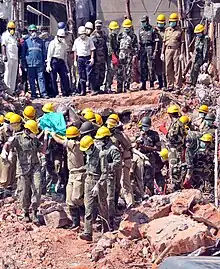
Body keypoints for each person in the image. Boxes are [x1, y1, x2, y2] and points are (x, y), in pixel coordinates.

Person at [1, 120, 47, 222]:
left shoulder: (34, 140)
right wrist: (4, 151)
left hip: (35, 168)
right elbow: (8, 144)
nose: (35, 134)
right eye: (33, 132)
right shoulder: (18, 138)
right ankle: (26, 212)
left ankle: (34, 212)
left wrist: (45, 138)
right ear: (27, 130)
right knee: (24, 192)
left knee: (38, 188)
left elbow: (43, 150)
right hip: (23, 170)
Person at [51, 126, 86, 228]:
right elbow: (64, 139)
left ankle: (86, 214)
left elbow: (60, 141)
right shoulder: (72, 143)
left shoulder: (75, 144)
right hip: (72, 174)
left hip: (79, 174)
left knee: (76, 198)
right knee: (69, 201)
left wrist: (53, 135)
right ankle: (76, 223)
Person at [79, 135, 109, 241]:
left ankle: (106, 230)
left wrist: (98, 185)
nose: (85, 151)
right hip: (89, 181)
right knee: (88, 207)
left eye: (86, 149)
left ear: (91, 146)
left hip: (99, 183)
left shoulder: (101, 154)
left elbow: (105, 172)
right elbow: (89, 166)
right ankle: (88, 232)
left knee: (102, 206)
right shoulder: (89, 154)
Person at [95, 126, 121, 230]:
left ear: (106, 138)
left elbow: (118, 163)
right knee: (101, 199)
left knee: (109, 199)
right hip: (101, 176)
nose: (98, 141)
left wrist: (107, 166)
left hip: (109, 176)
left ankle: (110, 223)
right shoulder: (100, 148)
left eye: (100, 139)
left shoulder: (113, 149)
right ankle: (102, 221)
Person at [106, 116, 134, 208]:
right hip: (105, 162)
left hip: (116, 162)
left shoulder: (119, 135)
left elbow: (128, 146)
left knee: (117, 185)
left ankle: (114, 206)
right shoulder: (102, 132)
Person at [184, 133, 214, 202]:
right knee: (197, 186)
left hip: (205, 173)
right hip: (197, 172)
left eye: (206, 143)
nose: (204, 144)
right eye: (203, 142)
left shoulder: (209, 152)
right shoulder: (195, 150)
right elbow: (190, 163)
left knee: (204, 187)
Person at [136, 116, 161, 195]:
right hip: (140, 158)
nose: (145, 128)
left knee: (149, 178)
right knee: (140, 178)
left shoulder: (154, 134)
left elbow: (158, 148)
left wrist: (146, 147)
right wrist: (137, 144)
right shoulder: (139, 134)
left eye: (146, 126)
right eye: (143, 126)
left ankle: (151, 195)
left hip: (150, 158)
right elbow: (134, 148)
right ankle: (142, 195)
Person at [22, 24, 48, 99]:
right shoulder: (26, 42)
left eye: (35, 31)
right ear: (29, 32)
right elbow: (23, 54)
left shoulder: (41, 42)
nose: (33, 32)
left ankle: (43, 93)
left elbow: (44, 52)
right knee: (31, 79)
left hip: (39, 63)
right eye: (32, 31)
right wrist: (24, 64)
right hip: (30, 64)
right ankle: (33, 94)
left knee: (41, 78)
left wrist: (45, 62)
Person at [161, 13, 184, 92]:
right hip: (167, 50)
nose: (171, 23)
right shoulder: (167, 30)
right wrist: (162, 53)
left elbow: (182, 43)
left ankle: (177, 86)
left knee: (177, 69)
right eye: (170, 21)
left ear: (176, 22)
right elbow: (164, 42)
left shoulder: (180, 31)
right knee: (168, 68)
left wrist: (182, 53)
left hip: (176, 50)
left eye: (173, 21)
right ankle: (170, 85)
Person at [166, 105, 186, 191]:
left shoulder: (176, 124)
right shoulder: (178, 123)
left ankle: (176, 186)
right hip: (177, 148)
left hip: (175, 148)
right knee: (176, 167)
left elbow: (172, 136)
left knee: (175, 167)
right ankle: (177, 184)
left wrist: (166, 135)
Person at [46, 28, 70, 97]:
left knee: (64, 76)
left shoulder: (64, 44)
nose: (62, 38)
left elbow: (65, 56)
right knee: (53, 78)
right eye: (60, 37)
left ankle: (65, 92)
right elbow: (49, 54)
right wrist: (48, 64)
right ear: (57, 36)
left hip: (61, 61)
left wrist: (66, 66)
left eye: (63, 37)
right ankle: (55, 93)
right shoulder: (53, 43)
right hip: (54, 61)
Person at [72, 26, 95, 96]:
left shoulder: (89, 40)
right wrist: (75, 60)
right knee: (82, 75)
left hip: (87, 58)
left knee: (90, 74)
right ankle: (83, 91)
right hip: (80, 59)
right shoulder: (76, 41)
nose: (82, 35)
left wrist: (92, 58)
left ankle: (92, 90)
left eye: (84, 34)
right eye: (81, 34)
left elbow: (92, 49)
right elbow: (75, 51)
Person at [117, 19, 138, 93]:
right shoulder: (120, 35)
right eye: (125, 27)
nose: (126, 28)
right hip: (121, 54)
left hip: (129, 54)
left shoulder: (133, 36)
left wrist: (135, 55)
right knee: (120, 71)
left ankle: (127, 87)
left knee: (128, 71)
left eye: (128, 27)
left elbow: (136, 46)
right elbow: (117, 45)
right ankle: (119, 88)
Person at [139, 15, 157, 90]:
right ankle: (143, 84)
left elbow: (156, 41)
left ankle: (152, 83)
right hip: (143, 48)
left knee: (151, 66)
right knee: (143, 66)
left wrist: (155, 51)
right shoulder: (140, 30)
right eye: (142, 22)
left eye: (144, 22)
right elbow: (139, 42)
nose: (143, 23)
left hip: (150, 47)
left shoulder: (152, 29)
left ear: (147, 21)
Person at [91, 20, 108, 94]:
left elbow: (106, 46)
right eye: (97, 26)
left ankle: (100, 88)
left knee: (102, 73)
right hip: (96, 58)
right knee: (96, 74)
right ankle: (95, 89)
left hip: (103, 58)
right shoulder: (92, 36)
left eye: (99, 26)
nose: (98, 28)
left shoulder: (104, 35)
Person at [1, 21, 18, 92]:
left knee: (14, 74)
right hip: (8, 57)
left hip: (15, 57)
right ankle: (7, 90)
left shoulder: (15, 36)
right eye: (10, 28)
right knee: (8, 73)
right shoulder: (5, 35)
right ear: (8, 28)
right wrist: (4, 56)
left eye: (13, 28)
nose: (12, 30)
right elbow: (3, 46)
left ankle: (12, 90)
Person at [39, 26, 54, 97]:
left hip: (49, 60)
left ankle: (51, 91)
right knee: (43, 77)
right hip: (41, 60)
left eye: (46, 31)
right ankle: (44, 92)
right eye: (43, 31)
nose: (44, 32)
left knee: (50, 76)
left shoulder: (51, 39)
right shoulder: (39, 39)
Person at [106, 21, 120, 93]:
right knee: (110, 71)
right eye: (114, 29)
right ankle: (107, 87)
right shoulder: (109, 36)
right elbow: (109, 48)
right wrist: (113, 56)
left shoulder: (114, 36)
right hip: (110, 56)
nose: (116, 30)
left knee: (113, 71)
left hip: (114, 55)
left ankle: (109, 86)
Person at [155, 14, 167, 89]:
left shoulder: (166, 31)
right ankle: (160, 84)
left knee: (165, 68)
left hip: (165, 51)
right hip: (157, 51)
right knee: (158, 68)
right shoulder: (155, 31)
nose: (160, 24)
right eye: (159, 23)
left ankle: (166, 84)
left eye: (162, 23)